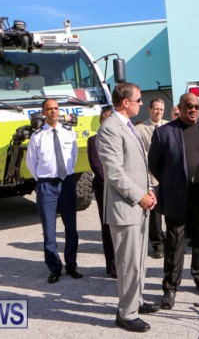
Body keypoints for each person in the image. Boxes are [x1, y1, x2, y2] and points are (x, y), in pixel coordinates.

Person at [97, 82, 160, 333]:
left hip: (139, 204)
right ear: (125, 102)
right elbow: (114, 172)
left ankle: (137, 300)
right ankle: (126, 313)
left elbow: (138, 165)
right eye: (138, 100)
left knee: (139, 261)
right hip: (125, 207)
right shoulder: (110, 128)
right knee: (128, 264)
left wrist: (149, 189)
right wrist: (139, 196)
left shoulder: (128, 125)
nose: (142, 104)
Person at [148, 93, 199, 310]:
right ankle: (170, 287)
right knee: (174, 243)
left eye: (197, 106)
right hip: (176, 195)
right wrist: (172, 182)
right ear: (180, 107)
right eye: (189, 106)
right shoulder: (164, 132)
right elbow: (154, 164)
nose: (193, 109)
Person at [26, 98, 82, 284]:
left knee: (71, 228)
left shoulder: (68, 132)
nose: (53, 111)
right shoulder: (37, 136)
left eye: (56, 108)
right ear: (43, 112)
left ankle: (72, 265)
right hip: (46, 185)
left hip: (66, 184)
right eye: (49, 109)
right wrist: (44, 180)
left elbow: (73, 157)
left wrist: (64, 175)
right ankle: (55, 268)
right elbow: (31, 163)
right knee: (49, 231)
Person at [86, 105, 116, 278]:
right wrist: (116, 182)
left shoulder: (119, 137)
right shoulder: (93, 140)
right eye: (106, 118)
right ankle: (112, 267)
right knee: (108, 227)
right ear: (100, 120)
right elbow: (97, 167)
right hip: (104, 188)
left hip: (121, 189)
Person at [136, 98, 167, 259]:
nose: (158, 112)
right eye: (155, 109)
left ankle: (172, 243)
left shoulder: (169, 126)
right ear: (149, 110)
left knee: (171, 211)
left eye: (161, 109)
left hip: (169, 177)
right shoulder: (140, 129)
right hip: (151, 177)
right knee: (154, 215)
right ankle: (157, 245)